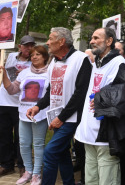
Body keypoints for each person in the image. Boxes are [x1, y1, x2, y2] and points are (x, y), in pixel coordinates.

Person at [26, 27, 92, 185]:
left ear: (62, 41)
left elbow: (80, 94)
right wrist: (38, 107)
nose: (47, 42)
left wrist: (61, 118)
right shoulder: (54, 61)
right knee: (62, 153)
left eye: (51, 39)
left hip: (71, 117)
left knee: (50, 153)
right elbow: (51, 91)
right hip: (56, 116)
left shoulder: (81, 59)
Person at [75, 27, 125, 185]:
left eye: (96, 38)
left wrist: (101, 99)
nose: (92, 41)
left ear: (109, 41)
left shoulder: (119, 63)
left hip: (105, 135)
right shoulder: (96, 62)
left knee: (107, 179)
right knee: (91, 179)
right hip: (88, 134)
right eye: (91, 38)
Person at [1, 45, 50, 185]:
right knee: (23, 144)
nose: (34, 57)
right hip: (23, 114)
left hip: (39, 115)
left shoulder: (50, 73)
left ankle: (36, 174)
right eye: (32, 55)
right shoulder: (24, 73)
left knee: (38, 144)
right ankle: (28, 171)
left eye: (38, 55)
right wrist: (4, 73)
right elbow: (11, 89)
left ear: (45, 57)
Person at [0, 35, 35, 178]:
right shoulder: (9, 56)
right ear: (20, 46)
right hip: (4, 101)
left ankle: (23, 165)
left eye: (31, 45)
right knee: (3, 135)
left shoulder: (35, 62)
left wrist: (27, 74)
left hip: (22, 104)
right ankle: (6, 164)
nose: (29, 48)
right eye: (26, 45)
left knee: (22, 137)